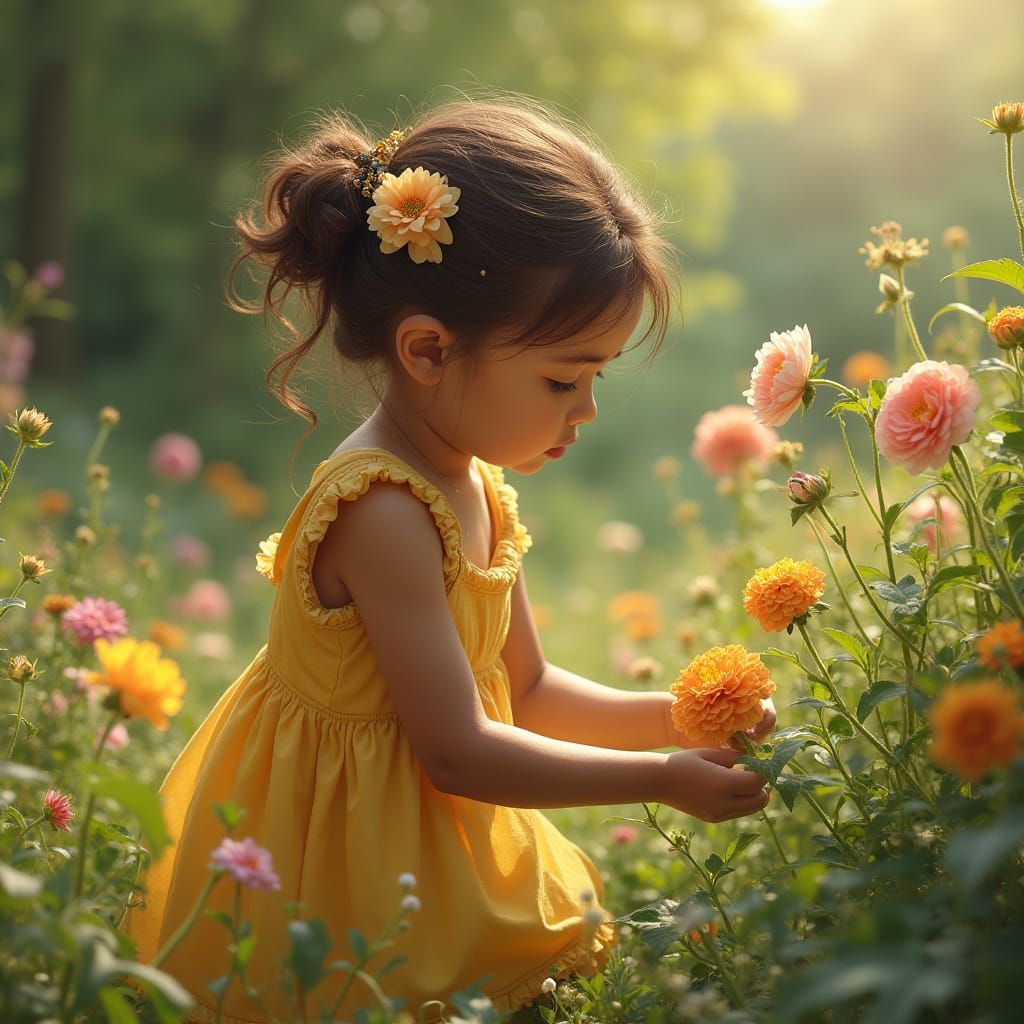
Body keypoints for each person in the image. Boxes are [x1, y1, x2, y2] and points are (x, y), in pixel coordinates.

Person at [124, 95, 775, 1022]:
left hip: (426, 839)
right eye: (563, 378)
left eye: (596, 376)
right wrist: (661, 780)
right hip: (339, 860)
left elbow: (531, 690)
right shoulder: (383, 510)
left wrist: (688, 721)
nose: (587, 409)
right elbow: (458, 751)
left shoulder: (474, 483)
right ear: (428, 349)